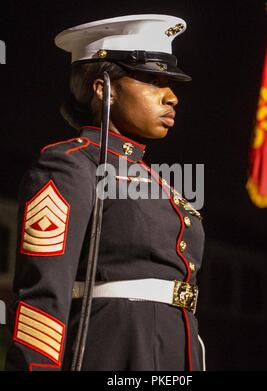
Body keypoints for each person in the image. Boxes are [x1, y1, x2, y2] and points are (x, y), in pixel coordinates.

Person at [5, 14, 206, 371]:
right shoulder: (68, 165)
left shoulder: (156, 181)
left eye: (171, 84)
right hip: (112, 349)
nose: (172, 97)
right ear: (103, 87)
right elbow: (42, 293)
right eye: (152, 80)